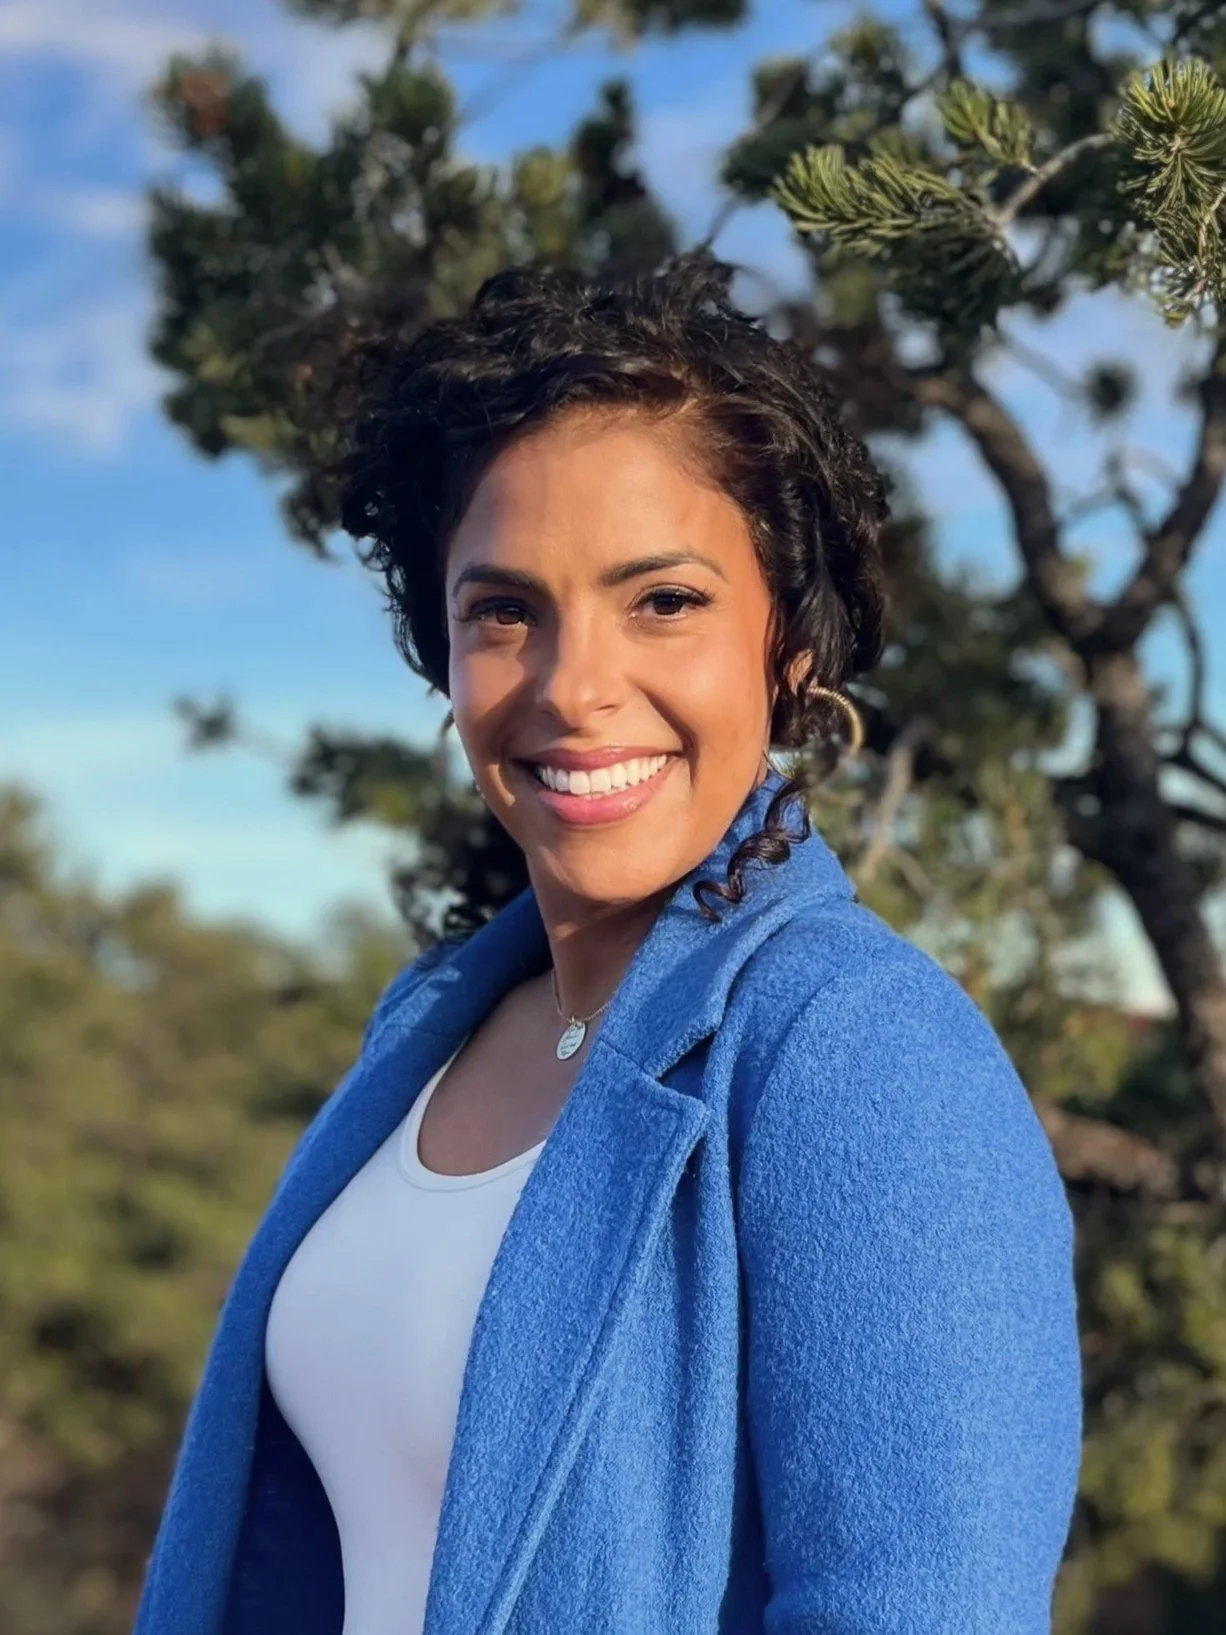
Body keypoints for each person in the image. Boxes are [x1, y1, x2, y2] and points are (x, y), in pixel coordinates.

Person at [132, 251, 1082, 1635]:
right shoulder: (432, 1026)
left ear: (790, 645)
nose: (574, 688)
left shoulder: (856, 1049)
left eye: (664, 601)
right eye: (503, 609)